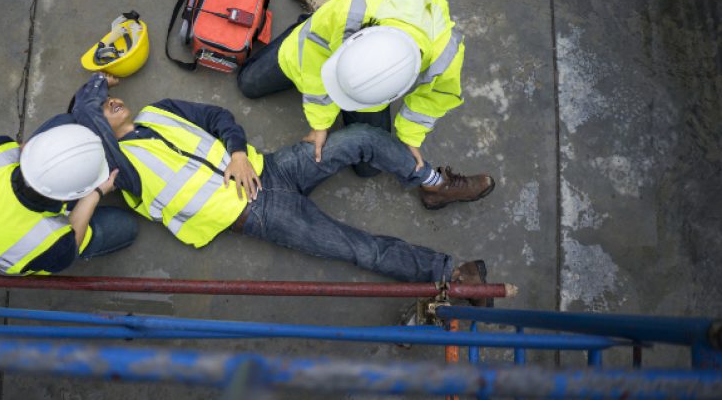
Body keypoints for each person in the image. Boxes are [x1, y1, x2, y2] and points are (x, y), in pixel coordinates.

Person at [67, 73, 493, 304]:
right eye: (104, 109)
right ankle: (450, 274)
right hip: (261, 216)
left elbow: (218, 116)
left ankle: (433, 183)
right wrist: (93, 94)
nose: (112, 104)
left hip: (272, 169)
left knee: (361, 137)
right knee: (359, 248)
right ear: (99, 132)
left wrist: (235, 152)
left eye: (108, 100)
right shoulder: (120, 171)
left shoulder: (159, 112)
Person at [237, 0, 494, 210]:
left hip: (368, 41)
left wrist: (410, 137)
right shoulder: (348, 13)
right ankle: (321, 9)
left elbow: (435, 97)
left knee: (368, 168)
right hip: (326, 32)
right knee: (249, 82)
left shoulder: (446, 51)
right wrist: (320, 124)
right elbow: (312, 62)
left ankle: (325, 10)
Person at [0, 94, 139, 275]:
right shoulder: (51, 245)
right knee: (126, 227)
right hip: (8, 257)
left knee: (64, 122)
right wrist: (96, 193)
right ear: (72, 195)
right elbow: (73, 241)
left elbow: (23, 148)